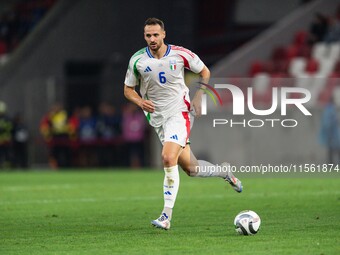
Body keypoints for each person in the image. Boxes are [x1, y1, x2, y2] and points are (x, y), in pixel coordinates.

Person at [123, 17, 242, 230]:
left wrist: (198, 96)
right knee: (191, 169)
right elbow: (127, 90)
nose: (152, 39)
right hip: (158, 119)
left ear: (164, 34)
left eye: (155, 35)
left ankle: (166, 216)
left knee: (168, 158)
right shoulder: (137, 60)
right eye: (148, 35)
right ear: (144, 36)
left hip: (180, 113)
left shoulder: (180, 54)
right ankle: (224, 172)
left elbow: (205, 71)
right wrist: (140, 101)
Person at [319, 96, 340, 164]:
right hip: (332, 133)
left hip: (332, 132)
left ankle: (331, 163)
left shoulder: (329, 109)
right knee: (334, 148)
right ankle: (331, 163)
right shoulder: (330, 110)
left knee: (332, 149)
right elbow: (328, 122)